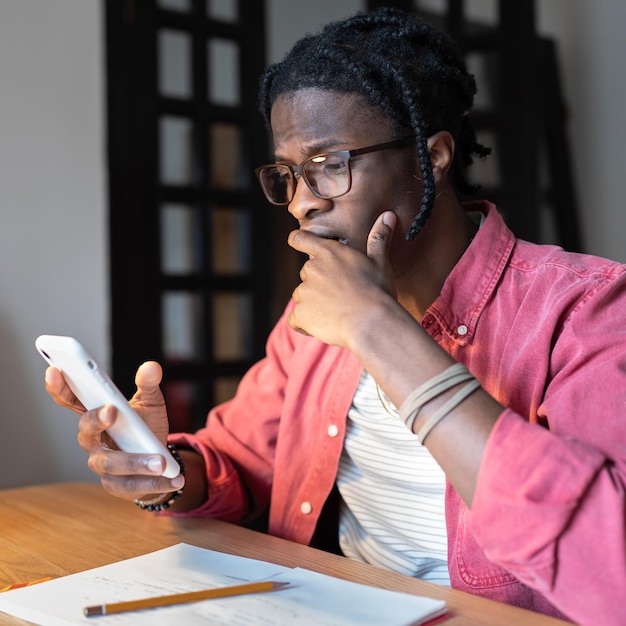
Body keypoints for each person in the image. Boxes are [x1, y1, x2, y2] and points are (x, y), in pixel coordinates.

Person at [45, 8, 626, 625]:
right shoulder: (313, 314)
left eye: (330, 163)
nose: (302, 201)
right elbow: (239, 463)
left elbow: (608, 562)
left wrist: (376, 329)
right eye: (289, 173)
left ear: (433, 157)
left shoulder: (586, 308)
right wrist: (162, 470)